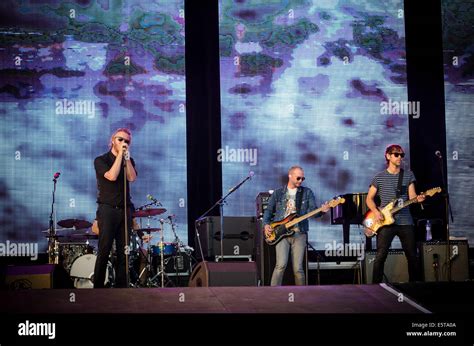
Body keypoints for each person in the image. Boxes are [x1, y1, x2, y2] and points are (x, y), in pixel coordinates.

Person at [366, 144, 425, 283]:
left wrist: (419, 199)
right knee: (380, 256)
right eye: (396, 154)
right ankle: (376, 287)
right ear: (388, 156)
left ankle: (415, 287)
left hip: (405, 221)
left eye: (402, 155)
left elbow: (412, 197)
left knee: (412, 255)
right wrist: (376, 211)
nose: (400, 158)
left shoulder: (408, 175)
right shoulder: (379, 177)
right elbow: (369, 199)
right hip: (385, 221)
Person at [263, 166, 329, 286]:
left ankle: (301, 296)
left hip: (299, 232)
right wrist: (266, 224)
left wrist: (323, 211)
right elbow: (268, 211)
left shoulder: (307, 192)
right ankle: (272, 293)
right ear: (290, 176)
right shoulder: (278, 193)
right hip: (281, 232)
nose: (301, 181)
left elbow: (313, 211)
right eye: (298, 178)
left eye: (303, 178)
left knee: (298, 269)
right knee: (280, 265)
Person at [93, 128, 137, 288]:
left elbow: (132, 178)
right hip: (107, 210)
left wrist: (126, 159)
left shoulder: (128, 160)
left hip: (124, 210)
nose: (124, 143)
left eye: (127, 141)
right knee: (104, 250)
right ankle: (97, 288)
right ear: (112, 140)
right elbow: (111, 176)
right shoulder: (101, 160)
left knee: (124, 252)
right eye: (121, 140)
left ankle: (121, 290)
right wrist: (119, 156)